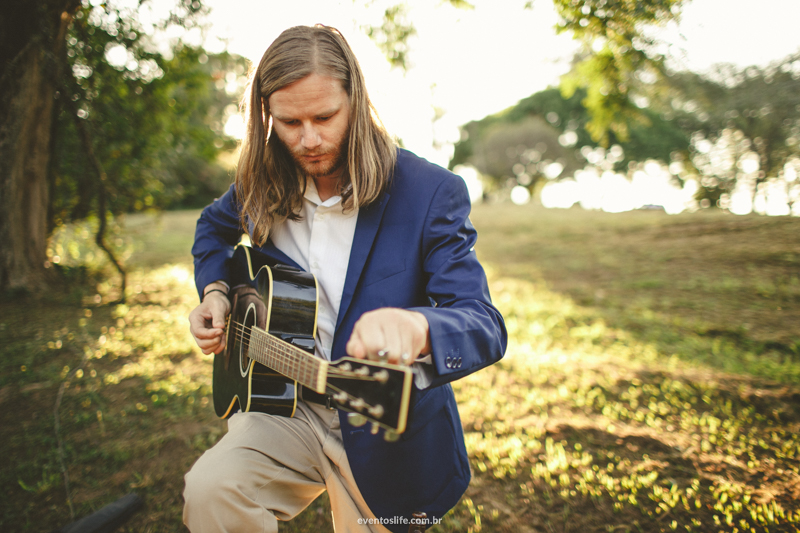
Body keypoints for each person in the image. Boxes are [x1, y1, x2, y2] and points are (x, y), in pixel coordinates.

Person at [184, 24, 506, 533]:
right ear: (266, 117)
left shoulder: (429, 192)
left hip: (383, 429)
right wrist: (216, 290)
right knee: (210, 491)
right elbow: (212, 228)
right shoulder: (260, 181)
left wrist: (419, 328)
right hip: (281, 408)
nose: (309, 140)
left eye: (325, 117)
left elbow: (484, 323)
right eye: (289, 122)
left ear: (355, 100)